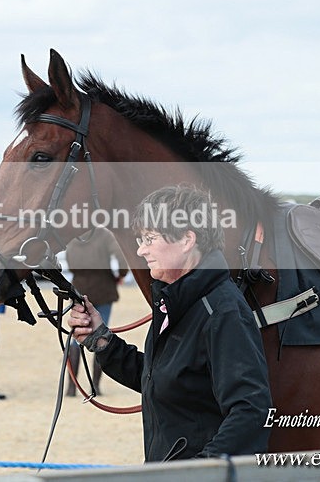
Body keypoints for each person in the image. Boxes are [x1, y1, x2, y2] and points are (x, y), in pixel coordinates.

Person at [68, 185, 272, 461]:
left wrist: (200, 471)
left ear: (187, 240)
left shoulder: (223, 312)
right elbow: (162, 378)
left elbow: (252, 410)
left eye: (149, 239)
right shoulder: (175, 299)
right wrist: (101, 340)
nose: (141, 251)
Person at [64, 227, 128, 396]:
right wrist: (121, 274)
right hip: (104, 287)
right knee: (101, 336)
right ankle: (96, 386)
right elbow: (121, 257)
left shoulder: (73, 236)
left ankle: (72, 387)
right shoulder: (104, 235)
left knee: (75, 339)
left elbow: (69, 262)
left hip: (79, 289)